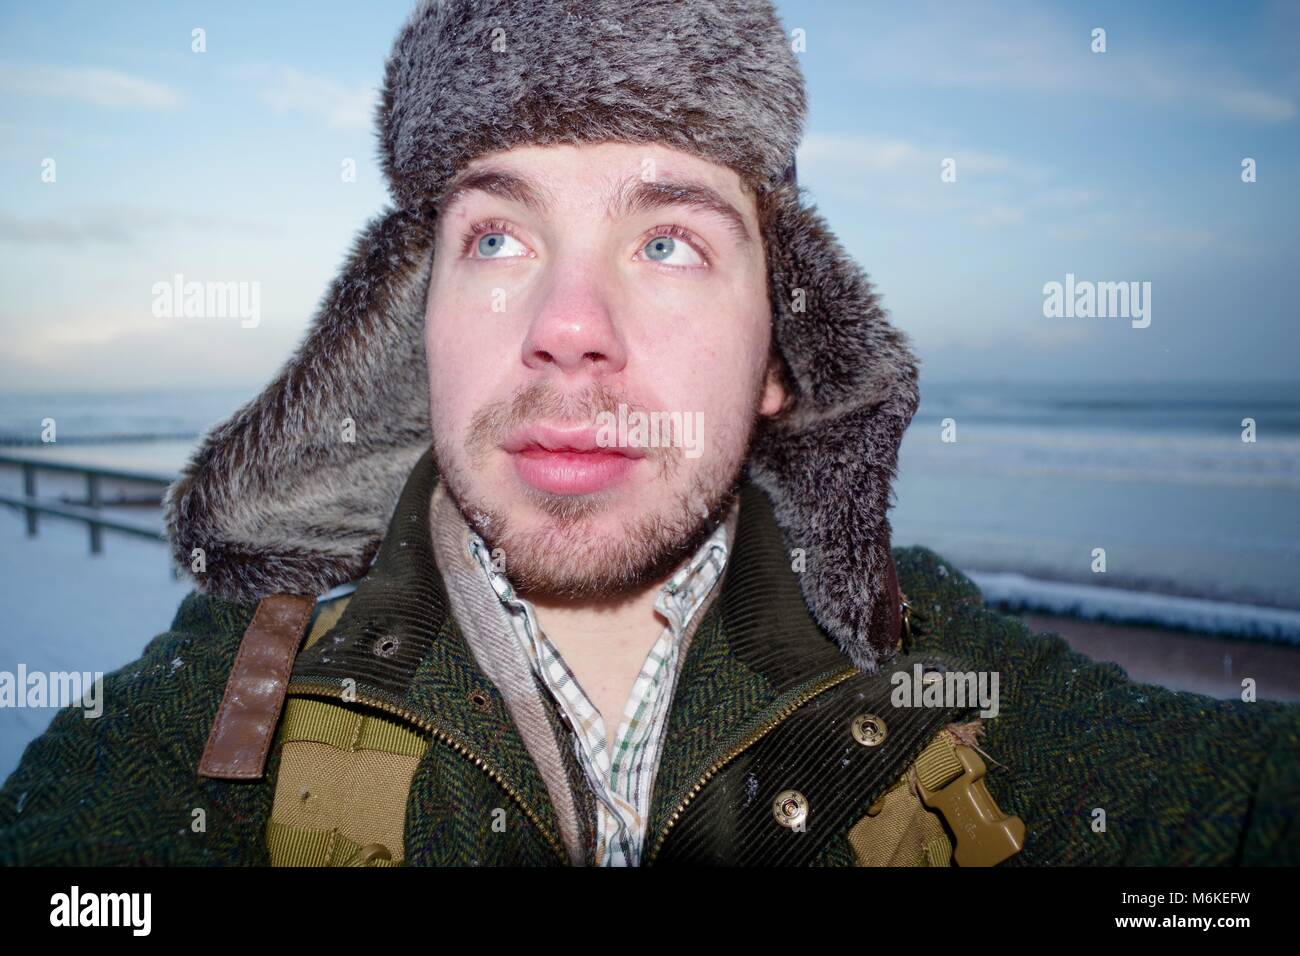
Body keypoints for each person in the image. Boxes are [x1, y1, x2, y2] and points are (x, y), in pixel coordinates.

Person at [1, 0, 1296, 867]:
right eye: (498, 237)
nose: (570, 324)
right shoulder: (238, 692)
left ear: (782, 358)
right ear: (418, 334)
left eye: (668, 240)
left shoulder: (930, 660)